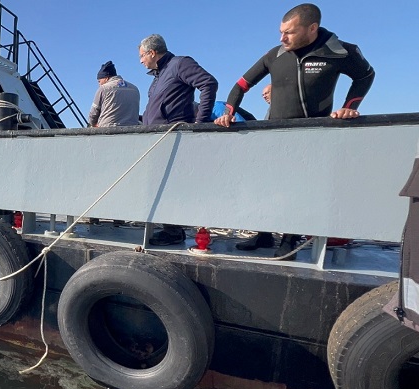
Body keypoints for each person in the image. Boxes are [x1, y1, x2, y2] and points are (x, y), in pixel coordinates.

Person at [214, 3, 374, 259]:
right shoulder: (275, 55)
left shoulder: (339, 51)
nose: (282, 38)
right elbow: (241, 84)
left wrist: (349, 107)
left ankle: (290, 238)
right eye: (280, 31)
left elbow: (365, 75)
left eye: (289, 32)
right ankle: (263, 234)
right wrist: (229, 112)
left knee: (299, 188)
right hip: (276, 131)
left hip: (313, 133)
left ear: (312, 28)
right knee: (265, 185)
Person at [139, 34, 219, 246]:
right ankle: (169, 228)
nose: (140, 61)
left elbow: (208, 83)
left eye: (141, 56)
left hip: (172, 136)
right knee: (157, 183)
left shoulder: (179, 64)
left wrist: (200, 122)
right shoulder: (160, 74)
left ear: (152, 53)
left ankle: (173, 231)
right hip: (157, 137)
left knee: (167, 184)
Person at [88, 61, 140, 127]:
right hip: (132, 130)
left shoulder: (103, 89)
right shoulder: (134, 89)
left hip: (108, 130)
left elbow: (93, 114)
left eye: (99, 81)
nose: (99, 84)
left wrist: (93, 124)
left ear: (106, 78)